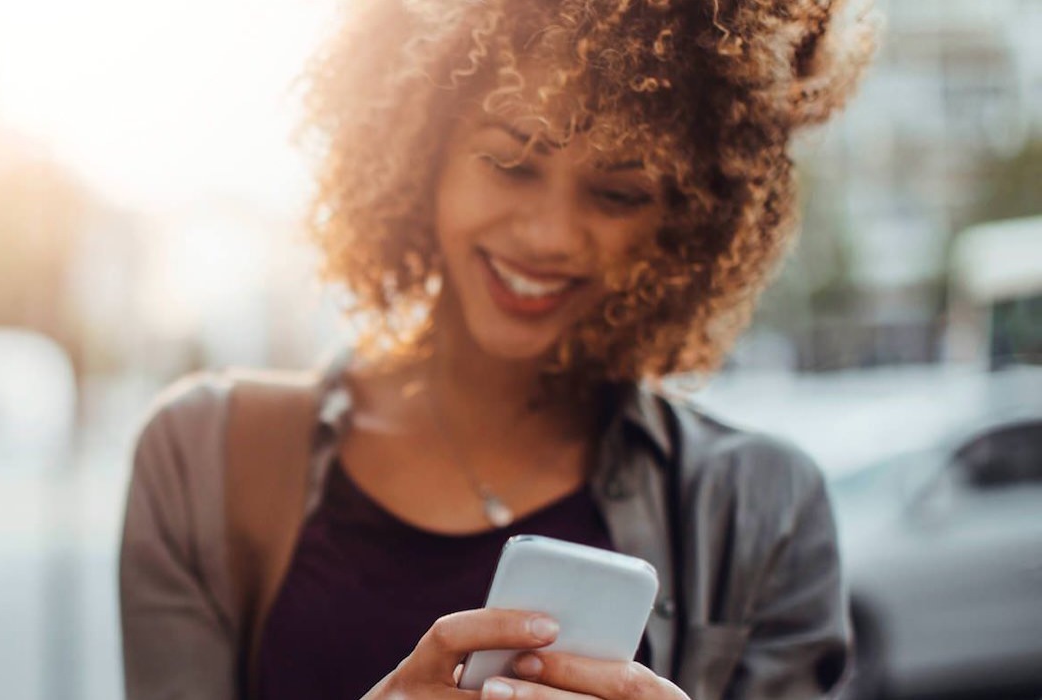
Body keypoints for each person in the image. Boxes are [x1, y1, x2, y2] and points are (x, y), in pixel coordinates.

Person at [119, 0, 879, 697]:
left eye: (618, 194)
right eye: (512, 162)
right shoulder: (205, 459)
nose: (550, 236)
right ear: (421, 150)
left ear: (687, 220)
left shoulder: (765, 510)